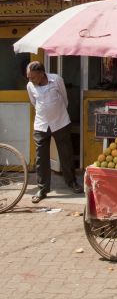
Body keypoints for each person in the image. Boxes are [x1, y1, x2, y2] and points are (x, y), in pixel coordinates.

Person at [26, 61, 83, 203]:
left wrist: (56, 112)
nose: (31, 80)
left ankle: (72, 182)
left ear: (41, 73)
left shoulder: (56, 80)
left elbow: (64, 99)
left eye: (33, 77)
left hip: (60, 122)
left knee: (66, 154)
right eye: (29, 77)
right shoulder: (30, 86)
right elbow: (34, 102)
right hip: (41, 124)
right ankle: (43, 189)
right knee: (41, 158)